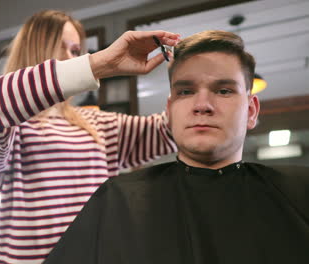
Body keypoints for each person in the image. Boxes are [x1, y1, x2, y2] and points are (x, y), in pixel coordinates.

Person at [43, 30, 309, 264]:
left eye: (224, 91)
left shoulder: (299, 194)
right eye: (185, 91)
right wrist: (97, 64)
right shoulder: (117, 202)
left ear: (251, 111)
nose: (202, 104)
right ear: (168, 112)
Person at [0, 10, 181, 264]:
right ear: (35, 50)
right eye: (61, 48)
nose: (72, 58)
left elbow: (169, 130)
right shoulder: (14, 128)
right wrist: (100, 63)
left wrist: (190, 84)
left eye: (76, 51)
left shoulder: (97, 123)